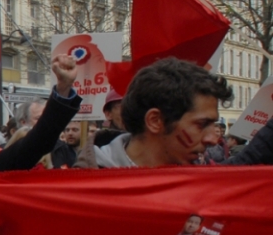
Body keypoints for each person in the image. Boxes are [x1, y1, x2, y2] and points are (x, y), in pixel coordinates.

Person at [76, 58, 273, 168]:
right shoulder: (79, 189)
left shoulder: (196, 180)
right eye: (202, 124)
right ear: (155, 121)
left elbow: (249, 160)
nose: (214, 139)